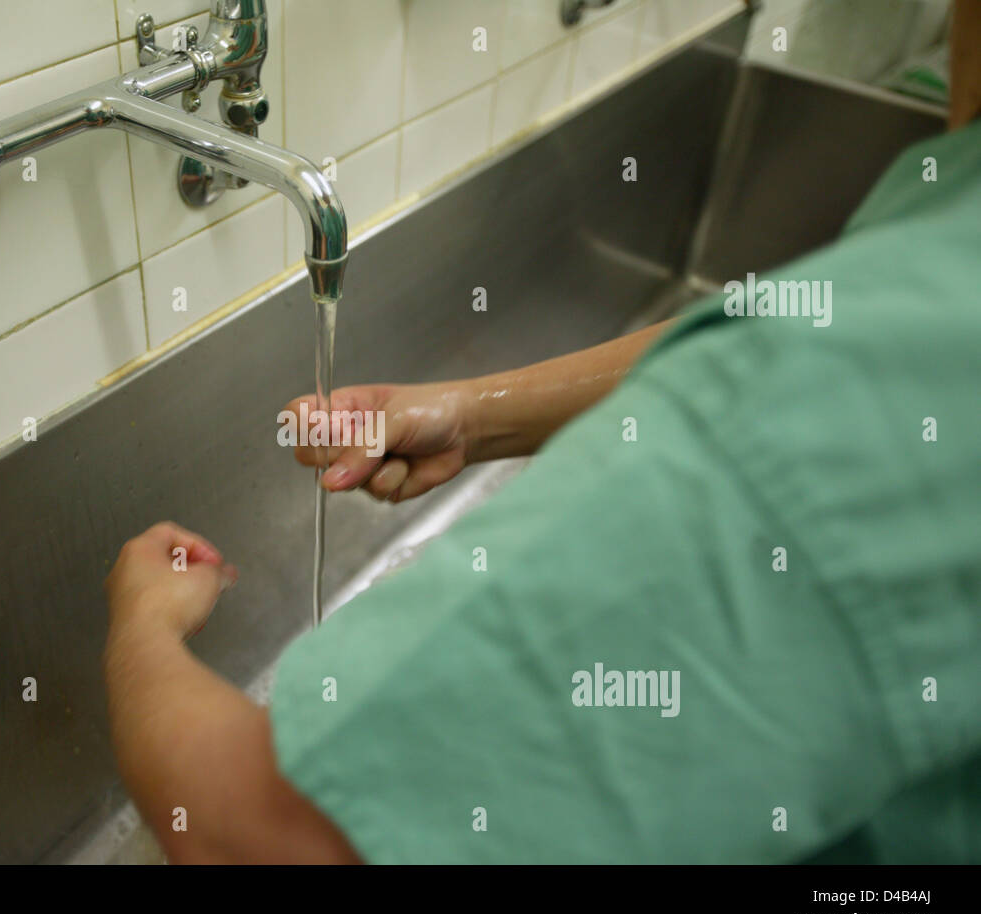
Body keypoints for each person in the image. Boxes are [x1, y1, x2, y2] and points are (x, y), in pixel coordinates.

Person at [101, 2, 981, 863]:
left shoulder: (810, 414)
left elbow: (262, 836)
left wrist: (143, 633)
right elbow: (785, 323)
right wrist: (474, 417)